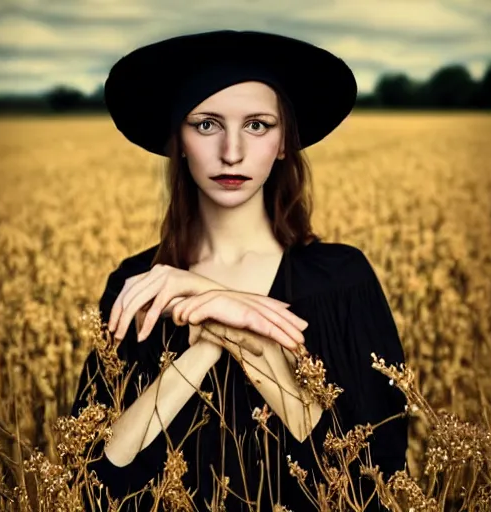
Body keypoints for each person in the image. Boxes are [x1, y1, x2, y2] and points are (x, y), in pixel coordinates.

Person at [71, 30, 408, 511]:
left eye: (257, 125)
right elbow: (98, 472)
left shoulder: (342, 278)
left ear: (285, 141)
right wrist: (217, 326)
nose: (232, 152)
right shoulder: (140, 284)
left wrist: (209, 296)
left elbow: (366, 476)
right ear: (180, 142)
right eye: (207, 125)